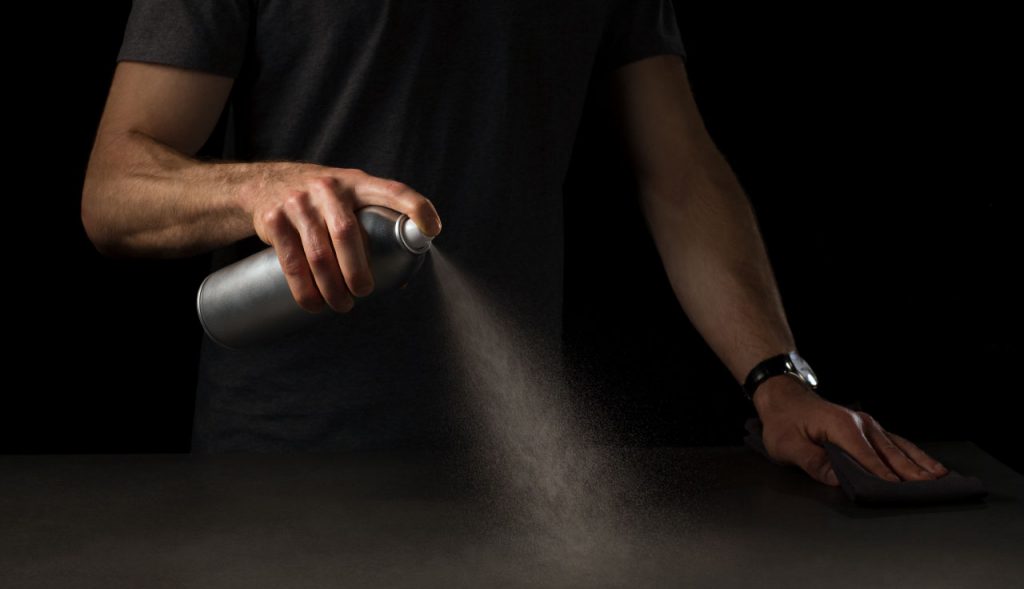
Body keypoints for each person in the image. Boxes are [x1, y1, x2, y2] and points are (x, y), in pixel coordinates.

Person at [82, 0, 947, 486]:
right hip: (279, 476)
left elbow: (679, 171)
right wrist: (262, 187)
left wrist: (775, 375)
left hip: (510, 476)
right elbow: (113, 188)